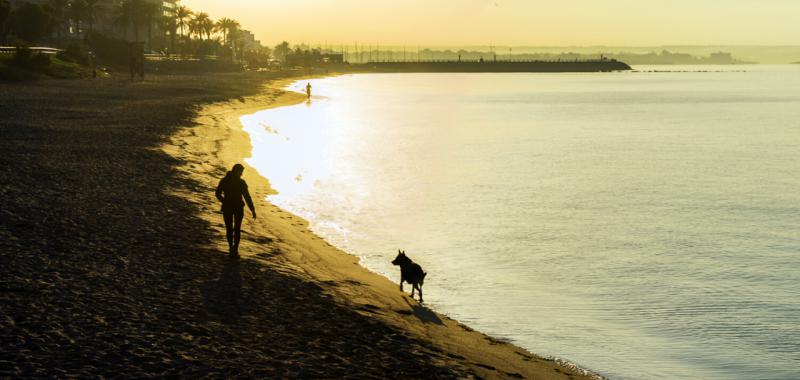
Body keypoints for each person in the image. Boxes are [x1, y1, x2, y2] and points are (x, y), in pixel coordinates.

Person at [215, 164, 256, 257]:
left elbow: (218, 194)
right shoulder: (240, 182)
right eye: (241, 171)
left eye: (242, 172)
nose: (241, 173)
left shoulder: (225, 180)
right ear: (236, 171)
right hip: (235, 207)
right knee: (235, 229)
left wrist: (224, 201)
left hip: (230, 207)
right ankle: (233, 249)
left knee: (231, 229)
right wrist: (252, 209)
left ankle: (233, 249)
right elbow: (247, 197)